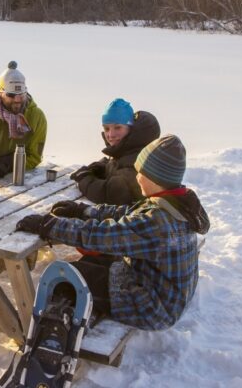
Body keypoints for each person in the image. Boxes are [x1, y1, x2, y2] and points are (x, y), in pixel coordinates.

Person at [16, 135, 209, 330]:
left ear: (155, 177)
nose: (136, 176)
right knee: (92, 263)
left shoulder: (157, 222)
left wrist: (48, 225)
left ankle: (55, 336)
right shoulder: (173, 204)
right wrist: (83, 211)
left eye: (140, 172)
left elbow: (101, 236)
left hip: (153, 308)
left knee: (68, 278)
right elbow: (127, 213)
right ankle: (87, 309)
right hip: (164, 295)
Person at [71, 98, 160, 206]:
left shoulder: (138, 160)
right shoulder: (127, 150)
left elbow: (110, 193)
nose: (111, 135)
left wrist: (83, 178)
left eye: (118, 127)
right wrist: (103, 167)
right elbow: (118, 164)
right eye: (107, 129)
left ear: (131, 129)